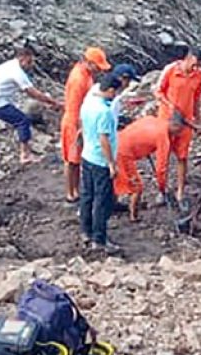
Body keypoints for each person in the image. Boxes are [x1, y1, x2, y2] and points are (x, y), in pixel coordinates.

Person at [0, 46, 61, 169]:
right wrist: (53, 102)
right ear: (21, 58)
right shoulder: (17, 72)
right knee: (22, 121)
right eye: (29, 62)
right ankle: (25, 154)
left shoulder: (7, 65)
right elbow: (32, 92)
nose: (30, 65)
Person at [61, 47, 112, 204]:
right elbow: (74, 107)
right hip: (73, 123)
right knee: (72, 160)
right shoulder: (78, 79)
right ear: (88, 63)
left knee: (77, 159)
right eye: (97, 66)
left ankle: (76, 190)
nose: (99, 70)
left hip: (80, 121)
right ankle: (70, 193)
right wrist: (80, 129)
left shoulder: (87, 74)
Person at [79, 73, 122, 254]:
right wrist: (111, 163)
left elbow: (82, 125)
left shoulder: (88, 102)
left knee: (87, 195)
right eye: (116, 92)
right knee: (101, 200)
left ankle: (85, 231)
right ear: (110, 90)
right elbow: (103, 139)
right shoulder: (104, 112)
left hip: (87, 155)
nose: (116, 95)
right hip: (100, 160)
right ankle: (99, 239)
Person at [155, 46, 201, 203]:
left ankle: (180, 191)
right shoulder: (171, 70)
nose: (195, 68)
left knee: (182, 156)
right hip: (167, 121)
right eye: (193, 64)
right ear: (187, 58)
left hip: (186, 121)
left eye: (198, 65)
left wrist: (197, 119)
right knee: (163, 156)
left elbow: (197, 98)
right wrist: (169, 105)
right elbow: (158, 91)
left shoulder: (199, 74)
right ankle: (161, 189)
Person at [113, 112, 184, 221]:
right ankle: (133, 216)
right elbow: (161, 168)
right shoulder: (163, 138)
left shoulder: (153, 119)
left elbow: (139, 130)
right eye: (178, 131)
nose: (178, 134)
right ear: (174, 125)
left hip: (116, 142)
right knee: (137, 187)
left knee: (115, 179)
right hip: (123, 153)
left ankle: (113, 204)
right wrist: (162, 187)